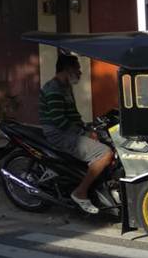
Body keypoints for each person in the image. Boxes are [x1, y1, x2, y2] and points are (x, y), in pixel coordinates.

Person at [40, 54, 114, 214]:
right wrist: (84, 133)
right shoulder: (53, 89)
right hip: (58, 133)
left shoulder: (66, 87)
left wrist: (88, 128)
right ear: (67, 69)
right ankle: (80, 192)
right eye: (77, 68)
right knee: (105, 153)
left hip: (68, 130)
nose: (80, 72)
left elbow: (73, 116)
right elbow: (59, 120)